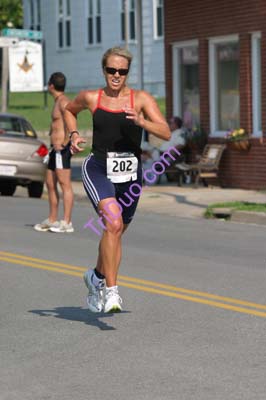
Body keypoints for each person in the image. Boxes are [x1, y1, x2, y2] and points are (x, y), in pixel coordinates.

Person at [64, 47, 170, 313]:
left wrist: (143, 122)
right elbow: (69, 110)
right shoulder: (91, 97)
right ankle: (112, 292)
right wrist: (73, 135)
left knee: (116, 230)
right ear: (104, 70)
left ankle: (96, 277)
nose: (116, 75)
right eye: (111, 70)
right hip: (98, 167)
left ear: (127, 73)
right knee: (112, 221)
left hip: (130, 174)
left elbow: (166, 132)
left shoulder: (140, 99)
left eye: (122, 71)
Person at [34, 72, 74, 233]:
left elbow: (71, 122)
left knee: (65, 185)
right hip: (54, 150)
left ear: (51, 86)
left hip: (61, 150)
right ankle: (52, 219)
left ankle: (67, 222)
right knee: (50, 184)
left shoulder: (64, 102)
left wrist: (64, 144)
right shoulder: (58, 101)